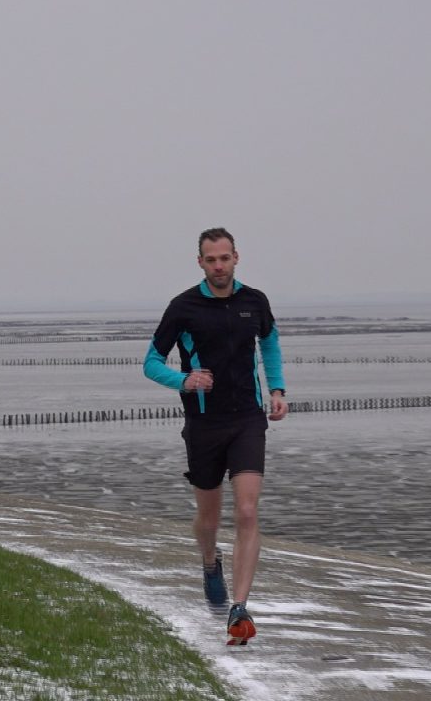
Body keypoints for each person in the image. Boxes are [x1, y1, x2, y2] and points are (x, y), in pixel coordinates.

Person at [143, 227, 288, 644]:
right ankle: (210, 561)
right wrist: (183, 380)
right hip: (204, 424)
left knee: (246, 511)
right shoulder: (183, 307)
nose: (219, 266)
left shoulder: (254, 301)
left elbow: (271, 345)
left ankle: (239, 608)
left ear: (236, 258)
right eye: (211, 260)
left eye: (225, 258)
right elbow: (151, 362)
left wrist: (276, 390)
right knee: (208, 518)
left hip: (247, 418)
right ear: (201, 263)